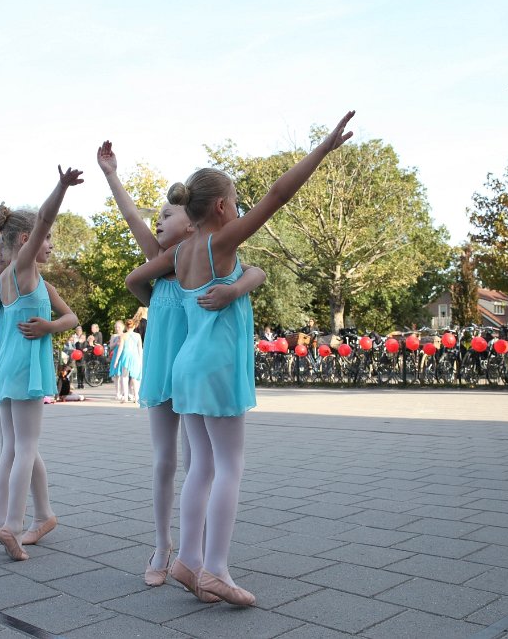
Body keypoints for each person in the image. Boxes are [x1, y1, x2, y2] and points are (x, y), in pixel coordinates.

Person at [127, 110, 354, 605]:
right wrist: (322, 148)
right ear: (225, 207)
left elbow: (150, 275)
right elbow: (277, 195)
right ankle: (216, 569)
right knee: (229, 465)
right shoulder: (218, 243)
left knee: (202, 466)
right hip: (216, 365)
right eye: (236, 203)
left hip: (185, 366)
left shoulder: (182, 253)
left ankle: (187, 560)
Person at [98, 140, 267, 587]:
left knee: (201, 463)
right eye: (159, 218)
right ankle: (164, 545)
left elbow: (253, 271)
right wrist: (112, 175)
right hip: (176, 368)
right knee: (169, 462)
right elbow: (132, 224)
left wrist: (238, 286)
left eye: (168, 215)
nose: (160, 221)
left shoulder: (203, 252)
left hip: (191, 370)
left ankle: (199, 551)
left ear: (190, 220)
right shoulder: (164, 262)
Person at [0, 166, 81, 562]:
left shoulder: (7, 280)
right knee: (25, 447)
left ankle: (15, 517)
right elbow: (46, 217)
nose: (49, 242)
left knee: (14, 448)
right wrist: (62, 186)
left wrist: (42, 325)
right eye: (45, 237)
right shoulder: (24, 270)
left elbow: (69, 318)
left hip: (7, 368)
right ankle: (12, 525)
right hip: (25, 371)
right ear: (26, 239)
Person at [113, 318, 143, 403]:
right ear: (134, 326)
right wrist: (141, 360)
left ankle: (125, 397)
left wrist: (116, 360)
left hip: (126, 355)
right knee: (134, 377)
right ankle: (136, 396)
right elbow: (140, 349)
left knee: (124, 376)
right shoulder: (137, 335)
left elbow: (120, 348)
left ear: (126, 326)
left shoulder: (123, 335)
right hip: (135, 356)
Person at [107, 320, 125, 400]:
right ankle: (117, 393)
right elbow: (111, 347)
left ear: (123, 327)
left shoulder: (125, 335)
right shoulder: (113, 336)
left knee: (123, 376)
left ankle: (124, 392)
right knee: (117, 376)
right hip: (115, 356)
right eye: (116, 327)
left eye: (119, 327)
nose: (117, 328)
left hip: (123, 356)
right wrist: (116, 343)